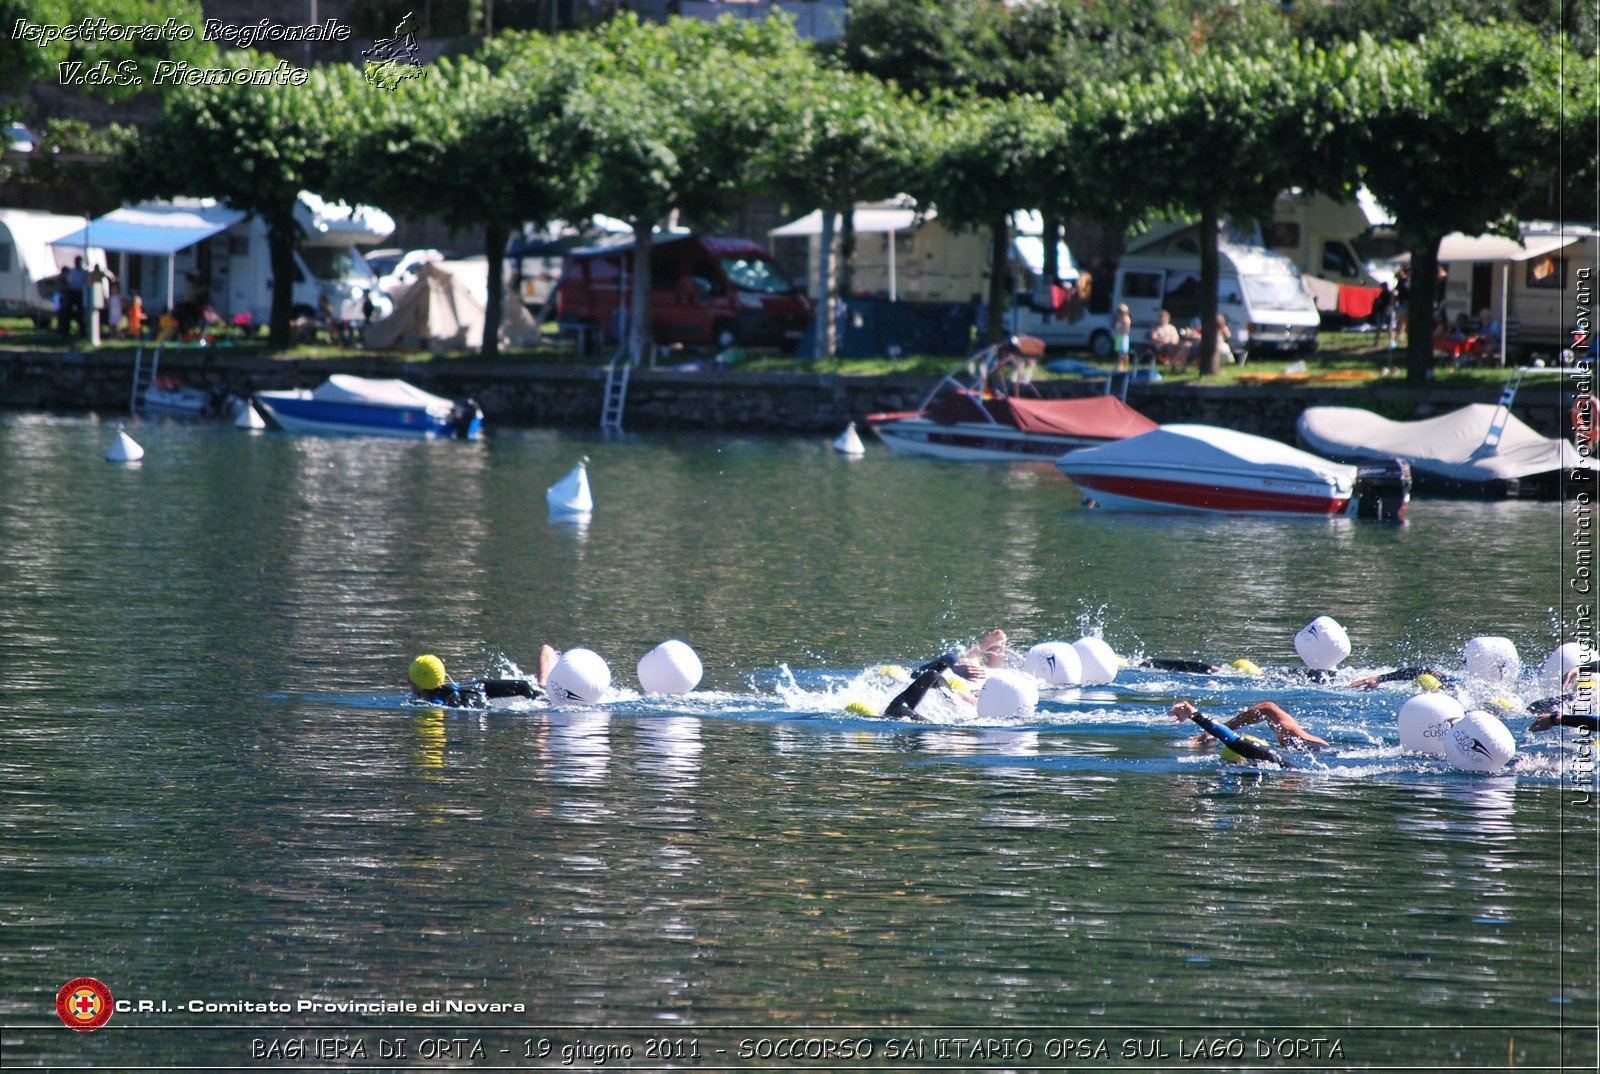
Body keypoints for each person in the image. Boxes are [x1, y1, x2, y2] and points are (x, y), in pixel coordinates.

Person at [881, 629, 1008, 719]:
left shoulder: (981, 704)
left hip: (944, 687)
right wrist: (955, 667)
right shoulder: (982, 672)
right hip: (932, 678)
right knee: (930, 675)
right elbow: (999, 636)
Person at [1170, 700, 1327, 766]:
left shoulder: (1275, 759)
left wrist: (1196, 716)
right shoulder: (1294, 743)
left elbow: (1236, 743)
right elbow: (1268, 708)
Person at [407, 647, 558, 709]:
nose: (407, 681)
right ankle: (544, 688)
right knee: (528, 687)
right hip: (478, 687)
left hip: (479, 702)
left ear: (420, 686)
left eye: (410, 680)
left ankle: (544, 688)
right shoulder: (458, 687)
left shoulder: (435, 704)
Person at [1112, 303, 1132, 372]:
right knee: (1119, 352)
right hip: (1120, 336)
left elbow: (1125, 330)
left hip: (1124, 337)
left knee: (1123, 353)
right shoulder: (1120, 318)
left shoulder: (1126, 319)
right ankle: (1120, 365)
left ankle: (1123, 366)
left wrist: (1119, 327)